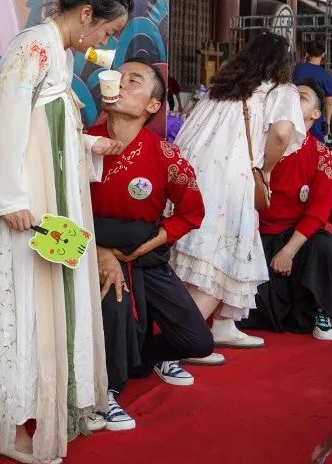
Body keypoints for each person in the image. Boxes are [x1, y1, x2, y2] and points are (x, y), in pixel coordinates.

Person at [0, 0, 130, 464]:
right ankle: (9, 425)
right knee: (21, 300)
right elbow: (4, 121)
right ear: (86, 14)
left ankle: (50, 407)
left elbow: (44, 125)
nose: (106, 42)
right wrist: (10, 199)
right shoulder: (33, 46)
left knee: (47, 297)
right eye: (109, 30)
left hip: (48, 199)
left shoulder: (58, 53)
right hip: (26, 205)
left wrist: (89, 146)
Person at [88, 59, 217, 431]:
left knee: (198, 341)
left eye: (134, 80)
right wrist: (99, 252)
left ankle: (145, 356)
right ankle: (104, 395)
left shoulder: (165, 155)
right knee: (113, 303)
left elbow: (191, 213)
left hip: (146, 256)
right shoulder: (82, 142)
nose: (121, 83)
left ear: (153, 106)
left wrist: (149, 245)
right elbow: (57, 210)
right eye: (118, 77)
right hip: (90, 252)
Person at [172, 31, 307, 349]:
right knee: (224, 252)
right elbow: (282, 133)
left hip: (196, 173)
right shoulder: (280, 89)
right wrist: (267, 169)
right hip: (234, 179)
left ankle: (223, 324)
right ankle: (182, 342)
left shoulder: (223, 87)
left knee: (205, 248)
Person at [241, 78, 332, 341]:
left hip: (296, 237)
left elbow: (318, 214)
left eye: (300, 97)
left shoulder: (321, 156)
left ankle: (321, 310)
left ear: (316, 113)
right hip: (257, 233)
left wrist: (288, 251)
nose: (291, 100)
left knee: (323, 244)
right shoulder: (258, 144)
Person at [291, 40, 332, 141]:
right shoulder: (325, 75)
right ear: (323, 54)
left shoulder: (297, 69)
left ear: (307, 53)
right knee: (314, 146)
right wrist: (327, 123)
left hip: (296, 115)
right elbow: (329, 103)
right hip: (315, 119)